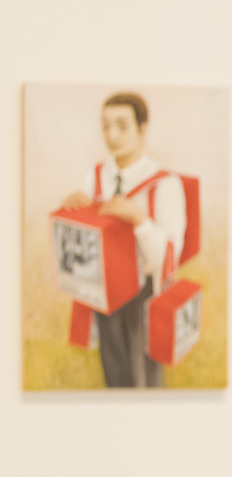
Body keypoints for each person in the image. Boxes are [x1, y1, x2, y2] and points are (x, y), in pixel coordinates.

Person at [61, 92, 186, 388]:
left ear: (142, 128)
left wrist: (139, 219)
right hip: (105, 292)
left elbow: (170, 256)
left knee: (145, 378)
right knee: (113, 371)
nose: (112, 135)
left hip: (145, 293)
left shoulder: (165, 183)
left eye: (121, 125)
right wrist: (75, 209)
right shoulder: (96, 175)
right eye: (106, 126)